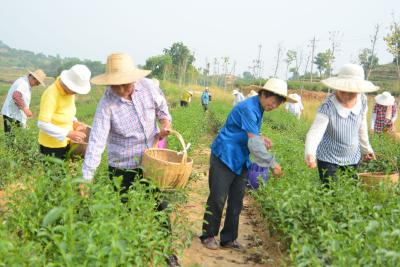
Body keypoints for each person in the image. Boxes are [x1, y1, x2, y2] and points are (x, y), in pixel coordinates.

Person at [80, 53, 178, 266]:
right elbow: (96, 142)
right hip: (121, 168)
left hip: (151, 162)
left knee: (158, 207)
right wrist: (86, 179)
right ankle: (129, 256)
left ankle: (166, 251)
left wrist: (165, 125)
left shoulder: (149, 87)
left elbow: (163, 110)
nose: (123, 90)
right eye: (117, 85)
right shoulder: (106, 104)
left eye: (126, 84)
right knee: (124, 212)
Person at [200, 78, 296, 251]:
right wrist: (272, 163)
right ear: (264, 94)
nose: (273, 106)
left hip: (240, 158)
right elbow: (253, 143)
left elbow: (251, 133)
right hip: (225, 155)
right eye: (272, 101)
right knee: (218, 197)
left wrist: (260, 136)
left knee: (237, 200)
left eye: (277, 104)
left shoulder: (258, 108)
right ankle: (208, 235)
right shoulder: (249, 108)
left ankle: (228, 238)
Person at [304, 64, 378, 185]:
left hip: (352, 157)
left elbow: (361, 127)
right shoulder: (328, 106)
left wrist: (366, 149)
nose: (347, 96)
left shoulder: (363, 101)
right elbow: (315, 133)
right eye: (344, 91)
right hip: (328, 157)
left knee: (350, 189)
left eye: (352, 93)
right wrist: (310, 153)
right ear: (337, 87)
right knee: (329, 191)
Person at [37, 64, 91, 159]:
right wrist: (68, 133)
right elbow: (42, 124)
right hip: (51, 146)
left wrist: (75, 122)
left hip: (65, 142)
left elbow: (67, 113)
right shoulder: (51, 94)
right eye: (75, 89)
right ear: (67, 83)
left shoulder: (70, 93)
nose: (75, 92)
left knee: (64, 172)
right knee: (54, 173)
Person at [1, 69, 46, 134]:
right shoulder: (23, 83)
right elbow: (16, 95)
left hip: (14, 115)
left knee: (17, 138)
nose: (37, 85)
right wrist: (25, 109)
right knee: (11, 140)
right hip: (12, 115)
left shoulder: (25, 82)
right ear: (33, 78)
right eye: (37, 83)